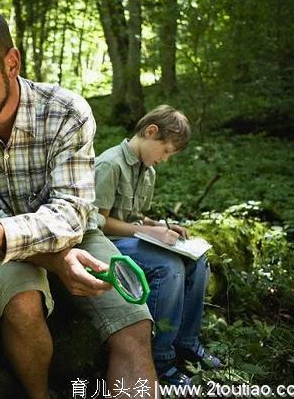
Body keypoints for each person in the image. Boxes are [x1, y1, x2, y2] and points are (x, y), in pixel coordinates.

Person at [0, 5, 156, 399]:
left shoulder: (67, 112)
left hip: (72, 236)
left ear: (11, 62)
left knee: (133, 327)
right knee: (22, 305)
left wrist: (6, 234)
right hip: (0, 248)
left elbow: (73, 212)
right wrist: (51, 259)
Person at [94, 105, 221, 385]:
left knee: (198, 261)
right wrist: (146, 231)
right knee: (168, 266)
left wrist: (160, 227)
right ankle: (161, 359)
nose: (165, 159)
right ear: (151, 132)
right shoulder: (109, 164)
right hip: (108, 244)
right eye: (165, 151)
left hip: (131, 237)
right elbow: (101, 222)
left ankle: (187, 343)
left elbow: (135, 218)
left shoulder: (148, 172)